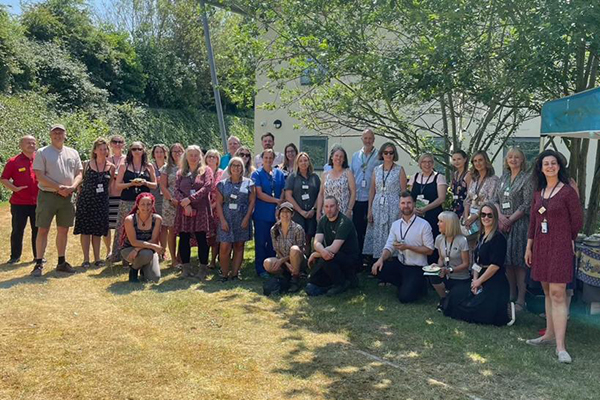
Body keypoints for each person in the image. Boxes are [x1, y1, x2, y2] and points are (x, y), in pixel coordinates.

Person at [525, 150, 583, 364]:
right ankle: (548, 335)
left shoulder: (567, 192)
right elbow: (533, 222)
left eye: (553, 163)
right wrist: (529, 246)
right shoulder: (539, 192)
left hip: (560, 246)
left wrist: (567, 238)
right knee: (547, 291)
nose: (549, 166)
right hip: (541, 246)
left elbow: (577, 221)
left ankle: (561, 347)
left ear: (559, 167)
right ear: (540, 168)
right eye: (545, 163)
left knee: (558, 293)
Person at [443, 203, 515, 326]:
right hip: (480, 277)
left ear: (495, 217)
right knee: (455, 294)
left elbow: (495, 266)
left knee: (476, 310)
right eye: (483, 215)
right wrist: (474, 280)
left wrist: (479, 281)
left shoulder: (499, 239)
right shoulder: (481, 236)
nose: (486, 218)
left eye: (489, 215)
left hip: (494, 280)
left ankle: (507, 308)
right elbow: (477, 261)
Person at [31, 124, 83, 276]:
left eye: (60, 132)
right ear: (50, 135)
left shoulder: (72, 152)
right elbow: (39, 175)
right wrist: (59, 187)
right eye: (55, 133)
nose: (58, 135)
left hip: (67, 197)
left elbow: (79, 173)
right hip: (48, 196)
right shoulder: (42, 152)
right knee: (43, 229)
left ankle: (61, 262)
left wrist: (72, 187)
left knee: (63, 230)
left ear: (65, 135)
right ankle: (39, 263)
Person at [371, 191, 434, 303]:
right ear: (399, 205)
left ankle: (419, 285)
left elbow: (429, 250)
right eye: (403, 203)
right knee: (378, 268)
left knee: (405, 298)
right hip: (401, 264)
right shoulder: (396, 224)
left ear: (414, 204)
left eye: (409, 203)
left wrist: (408, 247)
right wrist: (380, 260)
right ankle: (406, 284)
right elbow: (389, 246)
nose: (406, 206)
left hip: (416, 267)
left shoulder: (424, 225)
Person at [493, 147, 533, 312]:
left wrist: (510, 219)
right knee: (507, 262)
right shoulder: (503, 178)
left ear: (522, 160)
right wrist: (501, 217)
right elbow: (494, 199)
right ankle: (511, 295)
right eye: (510, 157)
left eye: (517, 157)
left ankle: (521, 300)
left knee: (519, 263)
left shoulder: (527, 178)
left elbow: (527, 203)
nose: (513, 160)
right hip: (502, 225)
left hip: (520, 225)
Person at [109, 142, 157, 263]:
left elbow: (155, 185)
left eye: (139, 149)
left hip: (145, 204)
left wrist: (144, 183)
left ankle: (141, 253)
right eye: (134, 149)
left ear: (143, 150)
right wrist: (131, 184)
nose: (137, 151)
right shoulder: (124, 166)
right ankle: (121, 255)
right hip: (127, 201)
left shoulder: (149, 166)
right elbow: (118, 185)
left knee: (142, 228)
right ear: (130, 150)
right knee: (124, 228)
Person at [74, 138, 115, 268]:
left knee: (97, 231)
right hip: (86, 201)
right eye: (100, 149)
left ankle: (97, 258)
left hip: (101, 202)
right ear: (95, 150)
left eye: (105, 149)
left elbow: (109, 186)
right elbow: (78, 181)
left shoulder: (111, 167)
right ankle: (86, 259)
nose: (103, 151)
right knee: (85, 231)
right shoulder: (86, 164)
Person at [307, 196, 360, 296]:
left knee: (327, 257)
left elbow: (334, 249)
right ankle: (338, 281)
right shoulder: (323, 221)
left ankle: (342, 283)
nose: (329, 209)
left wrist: (315, 254)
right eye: (326, 206)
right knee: (312, 284)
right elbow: (317, 242)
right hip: (330, 255)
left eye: (332, 206)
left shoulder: (344, 222)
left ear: (338, 207)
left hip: (348, 258)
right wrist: (321, 251)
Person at [174, 145, 214, 279]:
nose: (193, 157)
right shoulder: (181, 172)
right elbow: (176, 190)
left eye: (196, 155)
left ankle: (203, 269)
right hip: (184, 209)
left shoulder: (206, 170)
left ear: (200, 157)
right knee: (184, 238)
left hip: (201, 208)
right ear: (186, 156)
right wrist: (185, 204)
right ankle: (185, 268)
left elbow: (207, 187)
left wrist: (190, 199)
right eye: (190, 155)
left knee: (202, 238)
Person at [363, 142, 407, 262]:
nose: (388, 155)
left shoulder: (399, 170)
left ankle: (392, 263)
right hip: (378, 205)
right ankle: (378, 264)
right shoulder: (376, 170)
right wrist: (369, 210)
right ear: (382, 154)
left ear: (394, 154)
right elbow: (372, 190)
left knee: (392, 233)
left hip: (393, 206)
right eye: (386, 152)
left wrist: (402, 211)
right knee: (378, 234)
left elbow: (404, 192)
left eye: (391, 153)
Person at [216, 157, 256, 281]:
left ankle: (235, 273)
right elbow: (218, 203)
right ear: (229, 167)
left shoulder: (249, 183)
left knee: (239, 246)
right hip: (227, 219)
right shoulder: (222, 184)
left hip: (242, 218)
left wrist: (247, 218)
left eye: (239, 165)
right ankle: (224, 273)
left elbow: (252, 201)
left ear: (242, 168)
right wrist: (222, 220)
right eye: (233, 165)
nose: (236, 168)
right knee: (224, 247)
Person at [1, 135, 39, 264]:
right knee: (18, 230)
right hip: (20, 203)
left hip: (38, 202)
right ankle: (15, 256)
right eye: (28, 143)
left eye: (33, 143)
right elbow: (4, 178)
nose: (31, 145)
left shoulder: (39, 160)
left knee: (37, 230)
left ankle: (38, 256)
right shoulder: (13, 161)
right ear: (21, 145)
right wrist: (14, 189)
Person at [252, 149, 286, 278]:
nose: (268, 160)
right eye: (266, 157)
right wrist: (276, 200)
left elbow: (283, 189)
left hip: (276, 214)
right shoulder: (257, 174)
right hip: (262, 213)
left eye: (270, 158)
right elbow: (259, 194)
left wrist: (280, 203)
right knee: (261, 241)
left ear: (274, 159)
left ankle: (272, 266)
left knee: (274, 242)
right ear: (262, 159)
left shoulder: (279, 173)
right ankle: (260, 269)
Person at [408, 153, 448, 264]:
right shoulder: (414, 177)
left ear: (433, 163)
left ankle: (433, 267)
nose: (427, 164)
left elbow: (441, 198)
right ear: (420, 164)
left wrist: (425, 208)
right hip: (417, 215)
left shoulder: (439, 177)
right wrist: (413, 208)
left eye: (430, 162)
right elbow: (410, 196)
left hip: (433, 215)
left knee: (433, 240)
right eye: (424, 162)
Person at [350, 129, 382, 258]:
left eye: (370, 138)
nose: (368, 141)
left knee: (371, 228)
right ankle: (358, 258)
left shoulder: (379, 156)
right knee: (358, 228)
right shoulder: (355, 156)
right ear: (362, 139)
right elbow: (351, 175)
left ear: (373, 140)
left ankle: (370, 256)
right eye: (365, 138)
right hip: (357, 197)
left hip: (372, 198)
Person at [428, 211, 470, 310]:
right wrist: (438, 266)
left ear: (449, 224)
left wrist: (449, 270)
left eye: (441, 221)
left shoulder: (462, 240)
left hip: (460, 278)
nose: (438, 223)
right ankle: (443, 298)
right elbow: (441, 258)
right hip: (446, 275)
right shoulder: (439, 239)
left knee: (453, 306)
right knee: (432, 274)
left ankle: (448, 300)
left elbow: (466, 264)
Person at [120, 193, 163, 283]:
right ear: (137, 205)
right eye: (142, 204)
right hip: (129, 249)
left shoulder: (157, 219)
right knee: (146, 254)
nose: (146, 207)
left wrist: (138, 249)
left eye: (149, 204)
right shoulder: (130, 219)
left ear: (152, 205)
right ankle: (134, 269)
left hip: (149, 250)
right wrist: (136, 249)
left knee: (155, 278)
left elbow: (153, 240)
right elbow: (133, 242)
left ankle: (143, 266)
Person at [264, 202, 306, 292]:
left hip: (297, 259)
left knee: (294, 249)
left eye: (288, 212)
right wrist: (285, 263)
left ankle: (296, 278)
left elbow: (301, 250)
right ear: (279, 214)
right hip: (282, 260)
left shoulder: (298, 229)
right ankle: (285, 276)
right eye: (282, 212)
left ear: (292, 214)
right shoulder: (274, 229)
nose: (285, 214)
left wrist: (282, 260)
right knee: (267, 263)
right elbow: (276, 249)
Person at [284, 152, 320, 256]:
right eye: (301, 161)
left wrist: (313, 209)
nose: (303, 163)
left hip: (311, 214)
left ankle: (308, 261)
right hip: (297, 213)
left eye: (305, 160)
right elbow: (288, 195)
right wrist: (301, 211)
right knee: (298, 240)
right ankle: (298, 263)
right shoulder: (293, 177)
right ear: (297, 163)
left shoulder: (315, 178)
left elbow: (320, 194)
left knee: (309, 239)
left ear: (309, 162)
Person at [159, 143, 184, 267]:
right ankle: (173, 259)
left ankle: (181, 257)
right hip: (170, 203)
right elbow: (163, 186)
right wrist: (171, 199)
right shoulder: (166, 168)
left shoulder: (187, 166)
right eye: (175, 151)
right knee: (172, 231)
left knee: (184, 231)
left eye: (179, 151)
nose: (177, 153)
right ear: (170, 153)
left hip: (184, 202)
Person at [463, 150, 499, 236]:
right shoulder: (474, 179)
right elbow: (468, 199)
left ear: (486, 161)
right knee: (468, 243)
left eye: (480, 160)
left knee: (478, 243)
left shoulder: (493, 180)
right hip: (470, 218)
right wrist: (466, 217)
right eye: (475, 161)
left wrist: (475, 216)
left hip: (484, 218)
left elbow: (490, 202)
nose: (478, 163)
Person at [317, 145, 356, 218]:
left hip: (343, 213)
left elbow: (353, 193)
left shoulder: (348, 173)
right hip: (327, 213)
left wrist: (349, 210)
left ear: (344, 159)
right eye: (336, 155)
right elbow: (321, 194)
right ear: (332, 157)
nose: (338, 158)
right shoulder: (325, 174)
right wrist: (318, 211)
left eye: (341, 156)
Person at [204, 149, 225, 270]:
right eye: (209, 157)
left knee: (217, 236)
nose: (211, 159)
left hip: (217, 208)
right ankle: (204, 260)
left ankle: (213, 260)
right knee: (207, 235)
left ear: (218, 160)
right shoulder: (202, 172)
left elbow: (222, 191)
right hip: (204, 208)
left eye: (214, 157)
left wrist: (213, 206)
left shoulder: (222, 173)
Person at [106, 135, 126, 258]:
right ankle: (109, 250)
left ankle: (122, 248)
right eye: (115, 142)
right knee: (107, 224)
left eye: (120, 142)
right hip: (109, 194)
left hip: (124, 195)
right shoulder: (106, 159)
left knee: (123, 225)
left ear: (124, 144)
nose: (117, 144)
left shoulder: (128, 159)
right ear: (111, 144)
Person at [450, 150, 472, 218]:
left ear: (465, 159)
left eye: (459, 159)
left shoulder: (468, 174)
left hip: (464, 208)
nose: (456, 162)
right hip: (454, 206)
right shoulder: (455, 174)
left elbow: (470, 195)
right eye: (454, 160)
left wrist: (466, 212)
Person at [150, 144, 168, 219]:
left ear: (165, 153)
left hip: (166, 195)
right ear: (153, 154)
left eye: (161, 152)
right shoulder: (150, 166)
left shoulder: (169, 167)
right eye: (157, 152)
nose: (159, 154)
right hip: (154, 194)